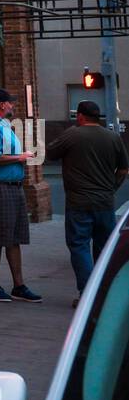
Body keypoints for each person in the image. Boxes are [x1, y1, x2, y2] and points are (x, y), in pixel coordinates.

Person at [45, 99, 128, 305]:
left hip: (78, 203)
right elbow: (123, 169)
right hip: (104, 203)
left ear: (80, 116)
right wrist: (111, 189)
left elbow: (50, 153)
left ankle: (87, 293)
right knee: (103, 248)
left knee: (79, 246)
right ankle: (102, 293)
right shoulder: (112, 137)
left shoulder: (72, 134)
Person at [0, 88, 42, 303]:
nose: (12, 105)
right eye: (10, 102)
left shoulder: (4, 125)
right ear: (2, 105)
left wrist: (22, 156)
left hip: (13, 187)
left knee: (14, 238)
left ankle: (19, 285)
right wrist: (20, 157)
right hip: (0, 188)